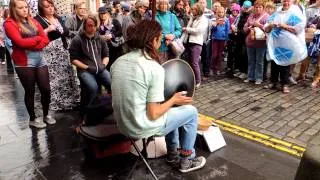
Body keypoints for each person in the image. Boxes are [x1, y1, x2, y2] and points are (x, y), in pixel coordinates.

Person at [111, 20, 206, 173]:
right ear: (153, 39)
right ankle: (186, 161)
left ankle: (172, 153)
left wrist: (169, 103)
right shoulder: (153, 67)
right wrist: (174, 99)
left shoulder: (118, 62)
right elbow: (153, 113)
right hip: (140, 126)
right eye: (160, 37)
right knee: (191, 112)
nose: (161, 40)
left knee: (170, 110)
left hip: (122, 123)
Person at [4, 0, 56, 128]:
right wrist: (38, 39)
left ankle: (46, 115)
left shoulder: (32, 20)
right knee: (30, 90)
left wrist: (36, 40)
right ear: (14, 9)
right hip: (24, 60)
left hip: (39, 57)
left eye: (26, 7)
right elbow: (20, 42)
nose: (24, 10)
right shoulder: (9, 23)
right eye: (21, 8)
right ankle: (32, 118)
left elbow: (45, 39)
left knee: (46, 89)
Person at [34, 0, 80, 111]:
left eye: (51, 6)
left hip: (63, 51)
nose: (50, 8)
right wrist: (47, 30)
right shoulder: (37, 20)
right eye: (47, 6)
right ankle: (55, 103)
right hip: (50, 54)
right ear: (41, 8)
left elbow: (66, 32)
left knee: (66, 76)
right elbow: (34, 36)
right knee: (54, 79)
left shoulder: (58, 18)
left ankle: (68, 101)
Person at [264, 0, 307, 93]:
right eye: (284, 1)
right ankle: (273, 81)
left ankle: (284, 84)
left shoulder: (294, 13)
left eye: (287, 1)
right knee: (274, 63)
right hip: (276, 43)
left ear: (290, 2)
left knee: (286, 64)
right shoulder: (277, 13)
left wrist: (285, 26)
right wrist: (271, 25)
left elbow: (299, 28)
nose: (286, 3)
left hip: (287, 44)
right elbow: (267, 26)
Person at [69, 15, 111, 108]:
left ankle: (108, 106)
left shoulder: (100, 39)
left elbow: (106, 55)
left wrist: (103, 65)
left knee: (112, 83)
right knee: (93, 88)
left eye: (94, 25)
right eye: (89, 25)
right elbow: (73, 59)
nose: (92, 28)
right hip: (85, 70)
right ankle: (86, 112)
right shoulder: (77, 40)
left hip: (100, 68)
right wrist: (87, 67)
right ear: (84, 26)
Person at [183, 3, 208, 88]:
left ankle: (198, 81)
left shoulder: (203, 19)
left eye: (194, 9)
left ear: (198, 10)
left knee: (194, 63)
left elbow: (199, 30)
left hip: (196, 43)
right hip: (188, 42)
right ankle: (191, 79)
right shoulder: (192, 17)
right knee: (189, 62)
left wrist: (187, 29)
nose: (192, 10)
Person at [243, 0, 269, 85]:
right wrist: (249, 27)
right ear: (254, 7)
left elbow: (268, 29)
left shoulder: (266, 17)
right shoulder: (251, 16)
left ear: (263, 8)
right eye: (256, 7)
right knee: (251, 60)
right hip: (250, 42)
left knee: (259, 61)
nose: (258, 9)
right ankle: (250, 77)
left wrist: (259, 25)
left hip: (261, 43)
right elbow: (245, 28)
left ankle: (259, 78)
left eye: (260, 7)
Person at [211, 6, 230, 75]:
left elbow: (227, 30)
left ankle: (218, 68)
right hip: (215, 39)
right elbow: (212, 30)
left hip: (222, 39)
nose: (221, 13)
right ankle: (213, 67)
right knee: (214, 55)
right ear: (217, 13)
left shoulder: (226, 20)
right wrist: (216, 24)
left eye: (222, 12)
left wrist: (226, 40)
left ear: (224, 13)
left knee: (220, 55)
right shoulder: (214, 19)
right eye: (219, 12)